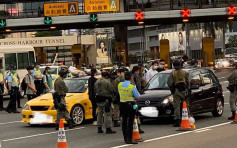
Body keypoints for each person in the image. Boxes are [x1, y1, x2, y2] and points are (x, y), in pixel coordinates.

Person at [119, 71, 140, 144]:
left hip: (122, 104)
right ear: (131, 77)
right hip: (130, 105)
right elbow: (137, 97)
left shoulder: (120, 85)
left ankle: (125, 138)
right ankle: (129, 139)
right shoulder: (132, 86)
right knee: (130, 121)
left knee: (124, 121)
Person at [167, 59, 188, 127]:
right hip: (184, 90)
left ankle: (177, 121)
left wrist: (172, 89)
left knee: (177, 106)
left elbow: (169, 83)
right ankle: (187, 117)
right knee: (185, 105)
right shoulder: (184, 72)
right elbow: (187, 81)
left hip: (176, 91)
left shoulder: (172, 73)